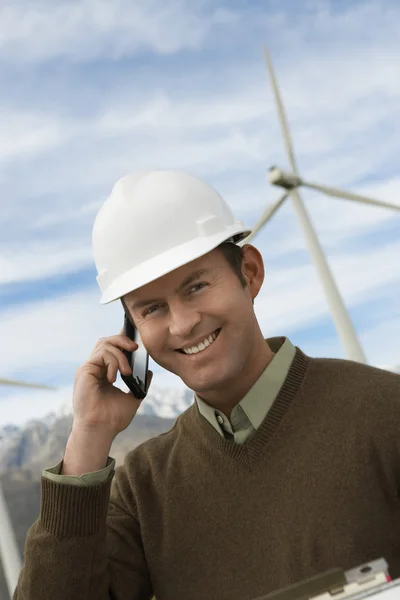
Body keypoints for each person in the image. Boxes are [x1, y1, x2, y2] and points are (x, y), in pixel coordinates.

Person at [14, 171, 400, 600]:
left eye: (196, 287)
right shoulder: (143, 487)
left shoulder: (387, 411)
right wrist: (88, 436)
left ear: (249, 273)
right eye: (152, 309)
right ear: (132, 333)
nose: (182, 324)